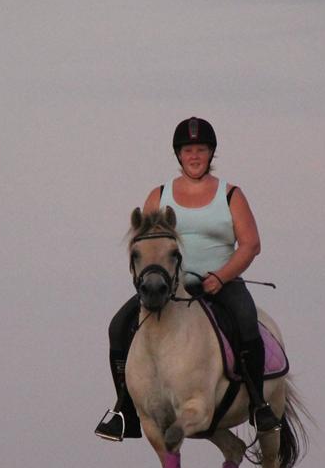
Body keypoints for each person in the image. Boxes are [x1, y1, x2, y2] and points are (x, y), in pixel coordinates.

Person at [95, 116, 280, 440]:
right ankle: (125, 409)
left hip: (219, 283)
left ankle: (258, 404)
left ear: (211, 154)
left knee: (246, 320)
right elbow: (142, 243)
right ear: (178, 155)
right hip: (166, 285)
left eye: (201, 149)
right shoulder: (159, 195)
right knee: (117, 326)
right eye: (188, 150)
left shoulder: (230, 195)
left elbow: (251, 244)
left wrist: (222, 277)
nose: (195, 155)